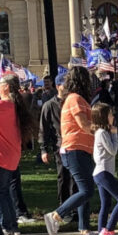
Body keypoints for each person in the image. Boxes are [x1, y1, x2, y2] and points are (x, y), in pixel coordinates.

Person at [43, 66, 97, 235]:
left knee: (85, 190)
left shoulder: (74, 99)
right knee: (86, 190)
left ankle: (84, 230)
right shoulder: (75, 99)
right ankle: (56, 215)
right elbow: (83, 125)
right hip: (74, 149)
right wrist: (105, 128)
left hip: (80, 150)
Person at [0, 73, 32, 235]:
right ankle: (13, 225)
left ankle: (5, 226)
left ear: (5, 87)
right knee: (5, 190)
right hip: (12, 155)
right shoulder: (16, 107)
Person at [90, 102, 118, 235]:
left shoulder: (102, 132)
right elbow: (113, 150)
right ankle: (109, 230)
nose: (113, 117)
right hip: (103, 172)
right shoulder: (103, 133)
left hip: (102, 172)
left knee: (106, 204)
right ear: (103, 117)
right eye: (110, 114)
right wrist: (115, 135)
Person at [39, 79, 76, 215]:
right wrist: (44, 149)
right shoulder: (49, 106)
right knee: (63, 176)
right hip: (59, 145)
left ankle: (75, 207)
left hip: (74, 144)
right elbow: (44, 130)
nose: (67, 88)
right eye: (65, 85)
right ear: (58, 86)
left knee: (75, 177)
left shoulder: (72, 102)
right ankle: (63, 208)